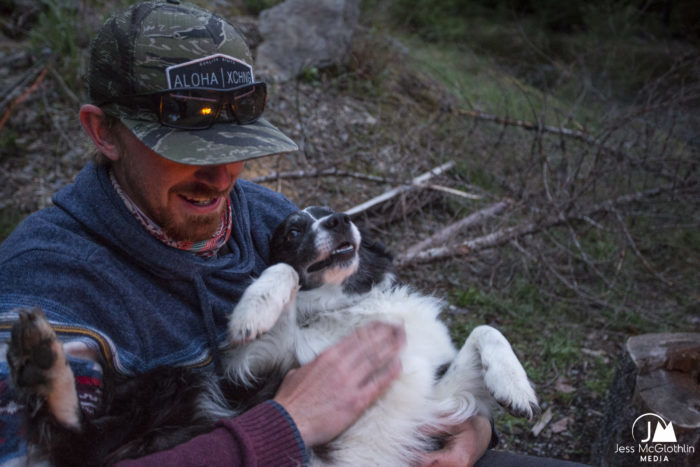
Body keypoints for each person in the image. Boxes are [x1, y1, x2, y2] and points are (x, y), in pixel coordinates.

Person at [0, 1, 499, 466]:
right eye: (187, 147)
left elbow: (386, 348)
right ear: (103, 131)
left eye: (234, 143)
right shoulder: (50, 280)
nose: (222, 179)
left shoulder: (264, 219)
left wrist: (471, 428)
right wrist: (287, 424)